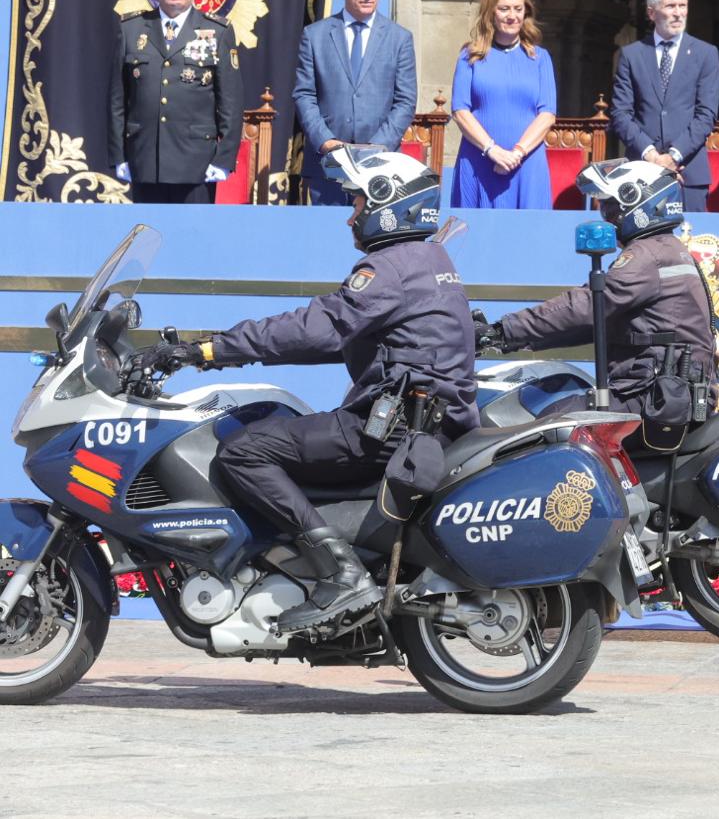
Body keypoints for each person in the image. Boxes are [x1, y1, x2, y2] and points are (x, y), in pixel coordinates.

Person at [128, 146, 478, 633]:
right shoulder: (429, 258)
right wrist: (224, 351)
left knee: (242, 452)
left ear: (388, 203)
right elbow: (341, 339)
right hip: (423, 423)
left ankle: (340, 573)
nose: (351, 216)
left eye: (359, 202)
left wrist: (204, 350)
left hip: (391, 429)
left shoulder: (389, 269)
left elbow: (317, 327)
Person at [478, 159, 715, 454]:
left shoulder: (647, 255)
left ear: (640, 204)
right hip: (665, 395)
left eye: (613, 206)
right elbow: (597, 322)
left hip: (652, 398)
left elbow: (586, 305)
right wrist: (505, 339)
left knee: (546, 428)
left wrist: (504, 329)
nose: (609, 216)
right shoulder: (667, 249)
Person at [108, 0, 243, 204]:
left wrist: (224, 159)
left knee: (193, 229)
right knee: (148, 227)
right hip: (145, 159)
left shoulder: (218, 31)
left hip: (197, 163)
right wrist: (118, 154)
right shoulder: (131, 29)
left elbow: (230, 103)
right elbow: (117, 100)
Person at [293, 0, 419, 206]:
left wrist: (377, 147)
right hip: (328, 163)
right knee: (328, 229)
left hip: (381, 165)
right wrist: (325, 141)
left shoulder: (399, 38)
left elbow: (405, 100)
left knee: (376, 231)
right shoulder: (315, 35)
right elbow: (304, 94)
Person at [608, 0, 719, 213]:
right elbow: (621, 113)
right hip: (641, 172)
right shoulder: (632, 55)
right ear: (652, 13)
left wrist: (673, 156)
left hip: (688, 172)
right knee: (643, 236)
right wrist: (652, 156)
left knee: (689, 236)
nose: (678, 13)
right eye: (670, 6)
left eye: (683, 6)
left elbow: (706, 114)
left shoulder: (706, 54)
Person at [448, 0, 558, 209]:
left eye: (518, 9)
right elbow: (460, 110)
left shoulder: (540, 58)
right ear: (491, 12)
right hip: (478, 161)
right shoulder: (469, 56)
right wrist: (492, 150)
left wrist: (516, 153)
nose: (512, 16)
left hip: (527, 164)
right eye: (504, 9)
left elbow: (547, 114)